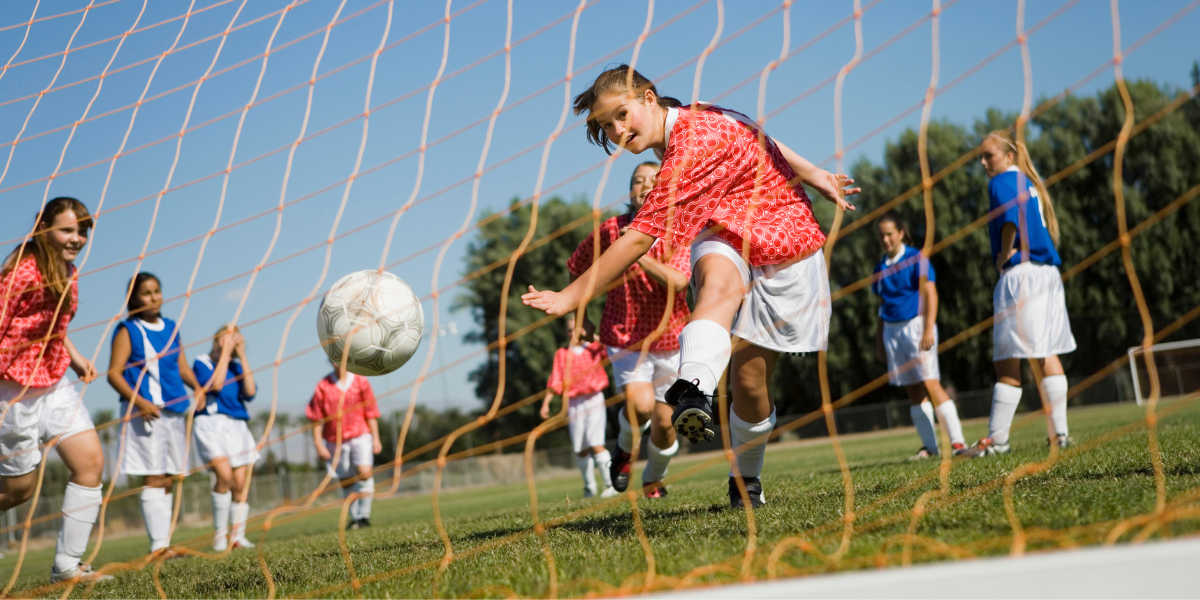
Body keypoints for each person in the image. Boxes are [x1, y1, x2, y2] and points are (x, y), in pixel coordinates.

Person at [522, 65, 859, 508]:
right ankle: (694, 390)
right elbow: (757, 133)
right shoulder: (691, 119)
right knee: (716, 286)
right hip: (726, 229)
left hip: (785, 237)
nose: (618, 131)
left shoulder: (688, 147)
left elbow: (640, 239)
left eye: (622, 115)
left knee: (750, 383)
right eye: (607, 126)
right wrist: (814, 171)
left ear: (649, 97)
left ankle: (745, 478)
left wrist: (570, 297)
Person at [0, 197, 110, 583]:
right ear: (43, 226)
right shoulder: (20, 271)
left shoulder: (68, 270)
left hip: (54, 383)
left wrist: (74, 357)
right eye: (68, 229)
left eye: (82, 231)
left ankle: (67, 567)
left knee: (90, 463)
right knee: (19, 492)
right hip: (12, 391)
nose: (77, 238)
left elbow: (53, 327)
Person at [567, 161, 689, 499]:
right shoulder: (609, 230)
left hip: (671, 338)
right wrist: (582, 317)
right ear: (630, 190)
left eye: (655, 180)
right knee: (641, 406)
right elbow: (577, 268)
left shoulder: (679, 230)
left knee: (665, 426)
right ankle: (623, 451)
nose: (646, 186)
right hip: (624, 336)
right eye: (638, 181)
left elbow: (678, 281)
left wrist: (636, 251)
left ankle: (653, 478)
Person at [962, 131, 1075, 457]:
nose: (984, 163)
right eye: (981, 158)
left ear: (1008, 156)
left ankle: (997, 441)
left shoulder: (1001, 182)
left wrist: (1003, 253)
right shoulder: (1029, 182)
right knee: (1046, 354)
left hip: (1022, 275)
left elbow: (1010, 218)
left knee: (1008, 361)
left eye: (989, 156)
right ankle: (1060, 435)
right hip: (1047, 275)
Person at [107, 272, 206, 556]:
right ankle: (157, 547)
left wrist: (197, 388)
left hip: (175, 411)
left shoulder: (172, 327)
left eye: (157, 291)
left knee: (169, 477)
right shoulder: (128, 330)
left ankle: (165, 543)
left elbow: (183, 367)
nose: (154, 297)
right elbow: (114, 374)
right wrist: (139, 401)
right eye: (146, 293)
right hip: (145, 413)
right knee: (152, 476)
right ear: (134, 299)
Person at [870, 213, 966, 459]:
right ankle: (930, 448)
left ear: (900, 233)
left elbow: (930, 294)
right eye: (881, 236)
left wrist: (927, 328)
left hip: (916, 326)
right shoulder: (880, 267)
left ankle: (957, 443)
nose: (886, 240)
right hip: (892, 332)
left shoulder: (915, 258)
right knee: (912, 390)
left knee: (931, 383)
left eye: (890, 234)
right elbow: (881, 307)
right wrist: (880, 339)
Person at [192, 324, 258, 551]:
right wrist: (225, 354)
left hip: (237, 426)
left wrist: (240, 356)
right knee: (224, 476)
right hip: (211, 425)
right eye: (225, 338)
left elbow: (250, 392)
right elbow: (217, 386)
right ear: (216, 340)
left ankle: (238, 536)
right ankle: (220, 536)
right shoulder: (202, 362)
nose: (230, 342)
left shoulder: (237, 366)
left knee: (241, 483)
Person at [539, 313, 616, 499]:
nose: (571, 333)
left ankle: (611, 483)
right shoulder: (562, 354)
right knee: (581, 447)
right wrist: (546, 404)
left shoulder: (594, 348)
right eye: (568, 330)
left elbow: (612, 349)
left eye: (575, 329)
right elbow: (555, 379)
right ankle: (589, 487)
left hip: (594, 399)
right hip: (574, 402)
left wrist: (590, 336)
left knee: (596, 442)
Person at [306, 360, 380, 529]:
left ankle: (364, 516)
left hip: (361, 434)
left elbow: (371, 412)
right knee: (346, 480)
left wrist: (376, 438)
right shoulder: (323, 385)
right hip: (335, 441)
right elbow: (316, 417)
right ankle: (355, 519)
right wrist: (318, 444)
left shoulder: (361, 381)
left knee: (364, 472)